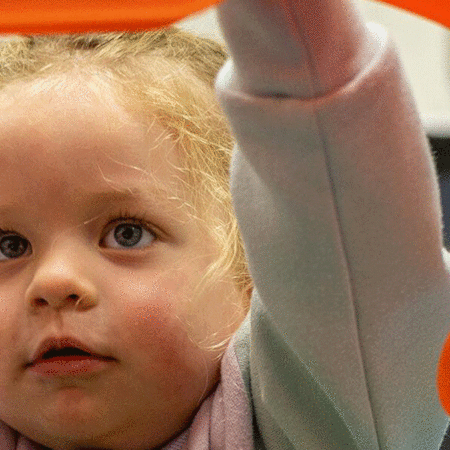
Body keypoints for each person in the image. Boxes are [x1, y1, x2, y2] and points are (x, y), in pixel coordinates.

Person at [0, 0, 448, 449]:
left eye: (127, 234)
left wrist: (301, 48)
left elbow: (346, 256)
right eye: (8, 246)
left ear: (251, 272)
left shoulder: (312, 418)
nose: (54, 281)